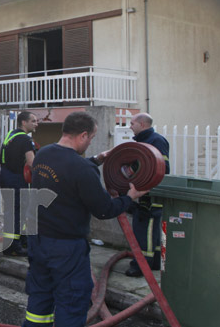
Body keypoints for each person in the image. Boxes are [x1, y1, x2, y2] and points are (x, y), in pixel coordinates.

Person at [23, 111, 147, 327]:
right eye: (90, 138)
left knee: (40, 299)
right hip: (65, 248)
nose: (90, 142)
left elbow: (65, 171)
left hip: (38, 240)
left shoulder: (44, 154)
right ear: (82, 135)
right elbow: (104, 209)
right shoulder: (81, 169)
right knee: (71, 302)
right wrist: (129, 198)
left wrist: (97, 159)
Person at [125, 113, 170, 277]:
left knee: (145, 235)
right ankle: (155, 263)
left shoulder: (156, 141)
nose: (130, 126)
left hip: (149, 198)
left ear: (142, 124)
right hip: (143, 196)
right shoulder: (143, 142)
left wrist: (146, 190)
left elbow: (162, 169)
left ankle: (140, 267)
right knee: (152, 235)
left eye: (132, 123)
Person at [0, 111, 38, 256]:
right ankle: (13, 246)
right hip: (16, 178)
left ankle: (20, 240)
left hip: (5, 175)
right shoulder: (25, 140)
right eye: (33, 121)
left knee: (11, 211)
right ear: (24, 122)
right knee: (17, 212)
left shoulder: (11, 135)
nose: (36, 124)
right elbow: (32, 163)